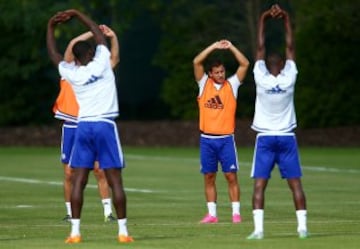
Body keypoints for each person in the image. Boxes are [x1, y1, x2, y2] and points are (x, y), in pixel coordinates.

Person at [47, 9, 134, 243]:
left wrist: (51, 26)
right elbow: (99, 35)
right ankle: (123, 232)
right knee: (114, 179)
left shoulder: (72, 73)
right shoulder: (102, 63)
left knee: (79, 179)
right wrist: (77, 14)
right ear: (92, 53)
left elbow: (54, 54)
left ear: (75, 58)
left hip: (83, 126)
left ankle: (75, 232)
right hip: (104, 124)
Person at [247, 4, 308, 240]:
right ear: (283, 64)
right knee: (295, 184)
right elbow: (290, 46)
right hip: (286, 138)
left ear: (266, 64)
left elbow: (260, 47)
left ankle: (259, 230)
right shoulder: (289, 76)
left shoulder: (260, 77)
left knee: (260, 185)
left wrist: (263, 17)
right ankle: (302, 228)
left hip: (265, 139)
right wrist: (285, 20)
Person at [53, 25, 120, 223]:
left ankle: (108, 213)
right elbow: (72, 45)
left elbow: (113, 60)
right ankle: (69, 212)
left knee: (100, 170)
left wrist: (106, 35)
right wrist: (94, 31)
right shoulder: (68, 71)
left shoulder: (95, 72)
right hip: (72, 125)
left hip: (90, 122)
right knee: (69, 173)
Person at [193, 39, 249, 224]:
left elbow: (245, 64)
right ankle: (212, 214)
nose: (220, 75)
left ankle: (236, 214)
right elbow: (196, 62)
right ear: (210, 74)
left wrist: (231, 47)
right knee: (209, 176)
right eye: (216, 72)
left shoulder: (232, 85)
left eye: (222, 71)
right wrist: (213, 46)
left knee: (230, 176)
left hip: (226, 139)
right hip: (207, 139)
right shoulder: (204, 84)